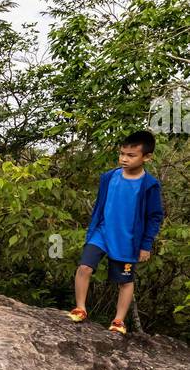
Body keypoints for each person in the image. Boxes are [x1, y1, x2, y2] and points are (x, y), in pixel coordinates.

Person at [68, 130, 163, 335]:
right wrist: (93, 228)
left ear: (146, 157)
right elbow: (100, 206)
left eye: (131, 155)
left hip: (128, 240)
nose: (124, 159)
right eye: (122, 154)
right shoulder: (109, 177)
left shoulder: (149, 185)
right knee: (84, 267)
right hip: (102, 233)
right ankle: (80, 308)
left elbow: (155, 216)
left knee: (125, 281)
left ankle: (119, 321)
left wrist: (146, 245)